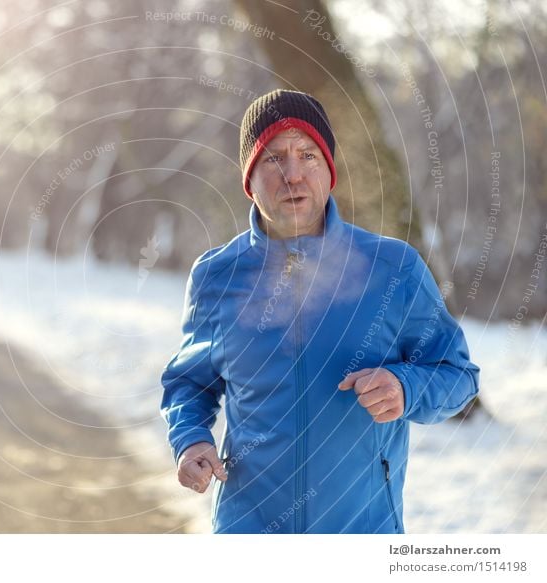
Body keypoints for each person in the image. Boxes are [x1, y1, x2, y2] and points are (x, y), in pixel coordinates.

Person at [160, 89, 480, 534]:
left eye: (308, 155)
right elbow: (189, 383)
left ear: (329, 169)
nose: (293, 175)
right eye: (273, 159)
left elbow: (458, 374)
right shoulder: (217, 276)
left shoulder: (393, 269)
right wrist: (190, 439)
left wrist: (407, 387)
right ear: (248, 179)